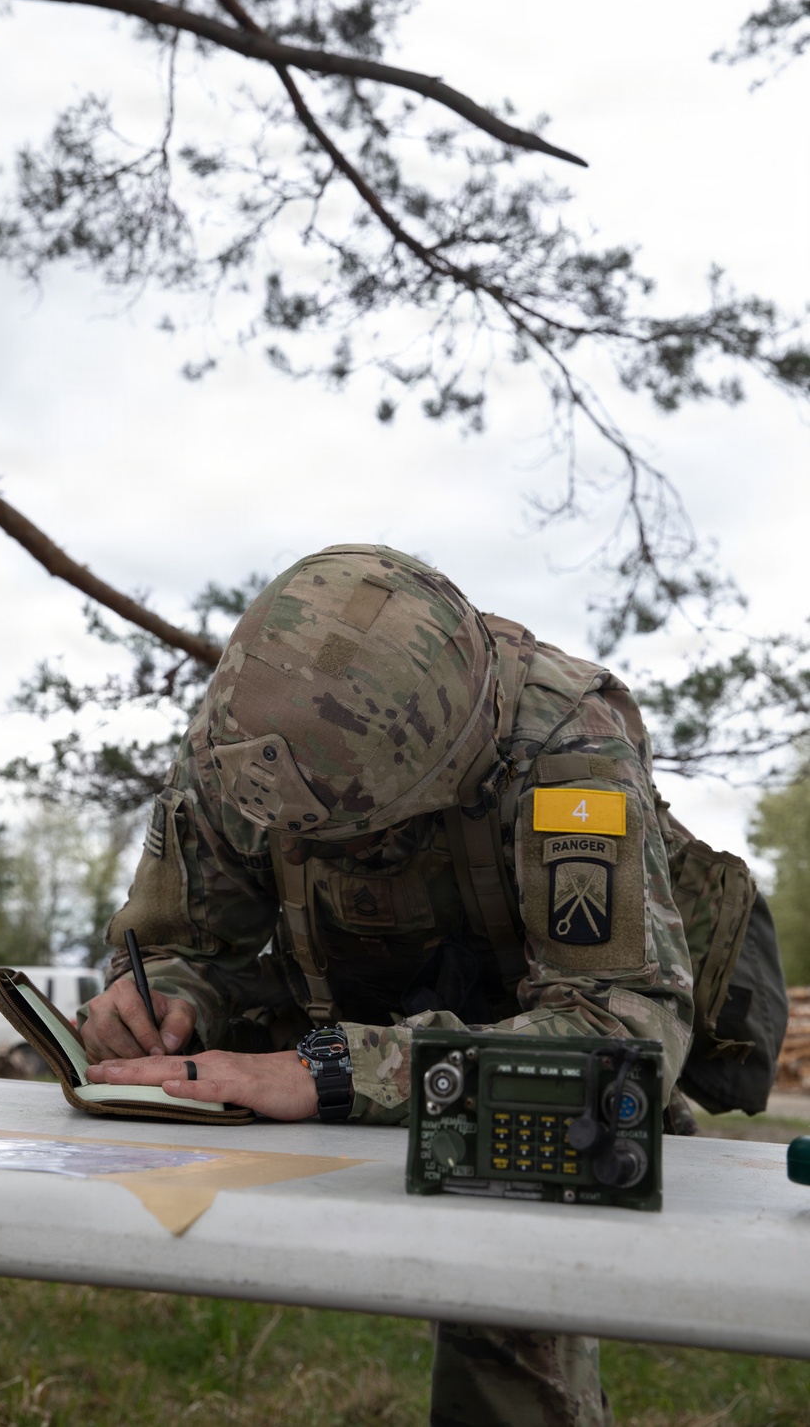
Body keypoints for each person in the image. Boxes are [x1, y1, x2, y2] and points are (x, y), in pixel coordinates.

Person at [81, 543, 694, 1427]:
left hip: (510, 1038)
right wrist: (166, 997)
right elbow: (190, 942)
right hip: (331, 1028)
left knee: (506, 1338)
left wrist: (335, 1072)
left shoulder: (565, 751)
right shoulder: (244, 738)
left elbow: (621, 1038)